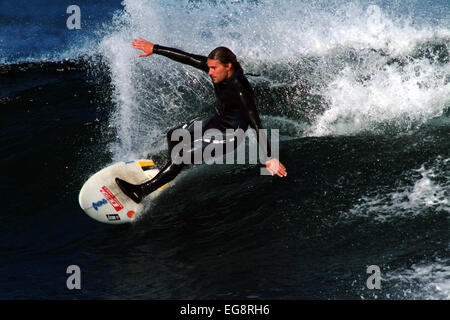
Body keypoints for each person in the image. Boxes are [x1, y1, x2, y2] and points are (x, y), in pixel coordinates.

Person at [115, 37, 287, 203]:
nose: (209, 71)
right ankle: (170, 171)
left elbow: (256, 124)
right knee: (174, 135)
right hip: (216, 122)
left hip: (229, 135)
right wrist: (155, 49)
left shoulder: (241, 90)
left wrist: (270, 157)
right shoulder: (219, 71)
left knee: (182, 155)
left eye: (213, 68)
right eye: (209, 67)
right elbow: (188, 58)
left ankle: (140, 192)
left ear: (228, 66)